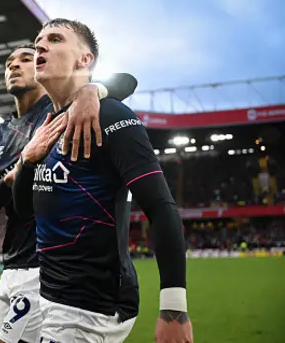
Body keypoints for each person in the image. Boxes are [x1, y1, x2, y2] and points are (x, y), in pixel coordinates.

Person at [12, 19, 192, 343]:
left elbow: (161, 207)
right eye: (38, 40)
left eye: (54, 39)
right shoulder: (45, 126)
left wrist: (173, 307)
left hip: (88, 308)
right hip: (49, 296)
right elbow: (24, 211)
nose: (40, 46)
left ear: (85, 59)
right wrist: (27, 161)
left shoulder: (112, 116)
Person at [0, 43, 138, 343]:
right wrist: (17, 171)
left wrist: (91, 91)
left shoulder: (61, 109)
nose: (14, 65)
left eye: (26, 59)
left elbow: (127, 81)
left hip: (46, 267)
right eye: (9, 62)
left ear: (41, 68)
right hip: (10, 266)